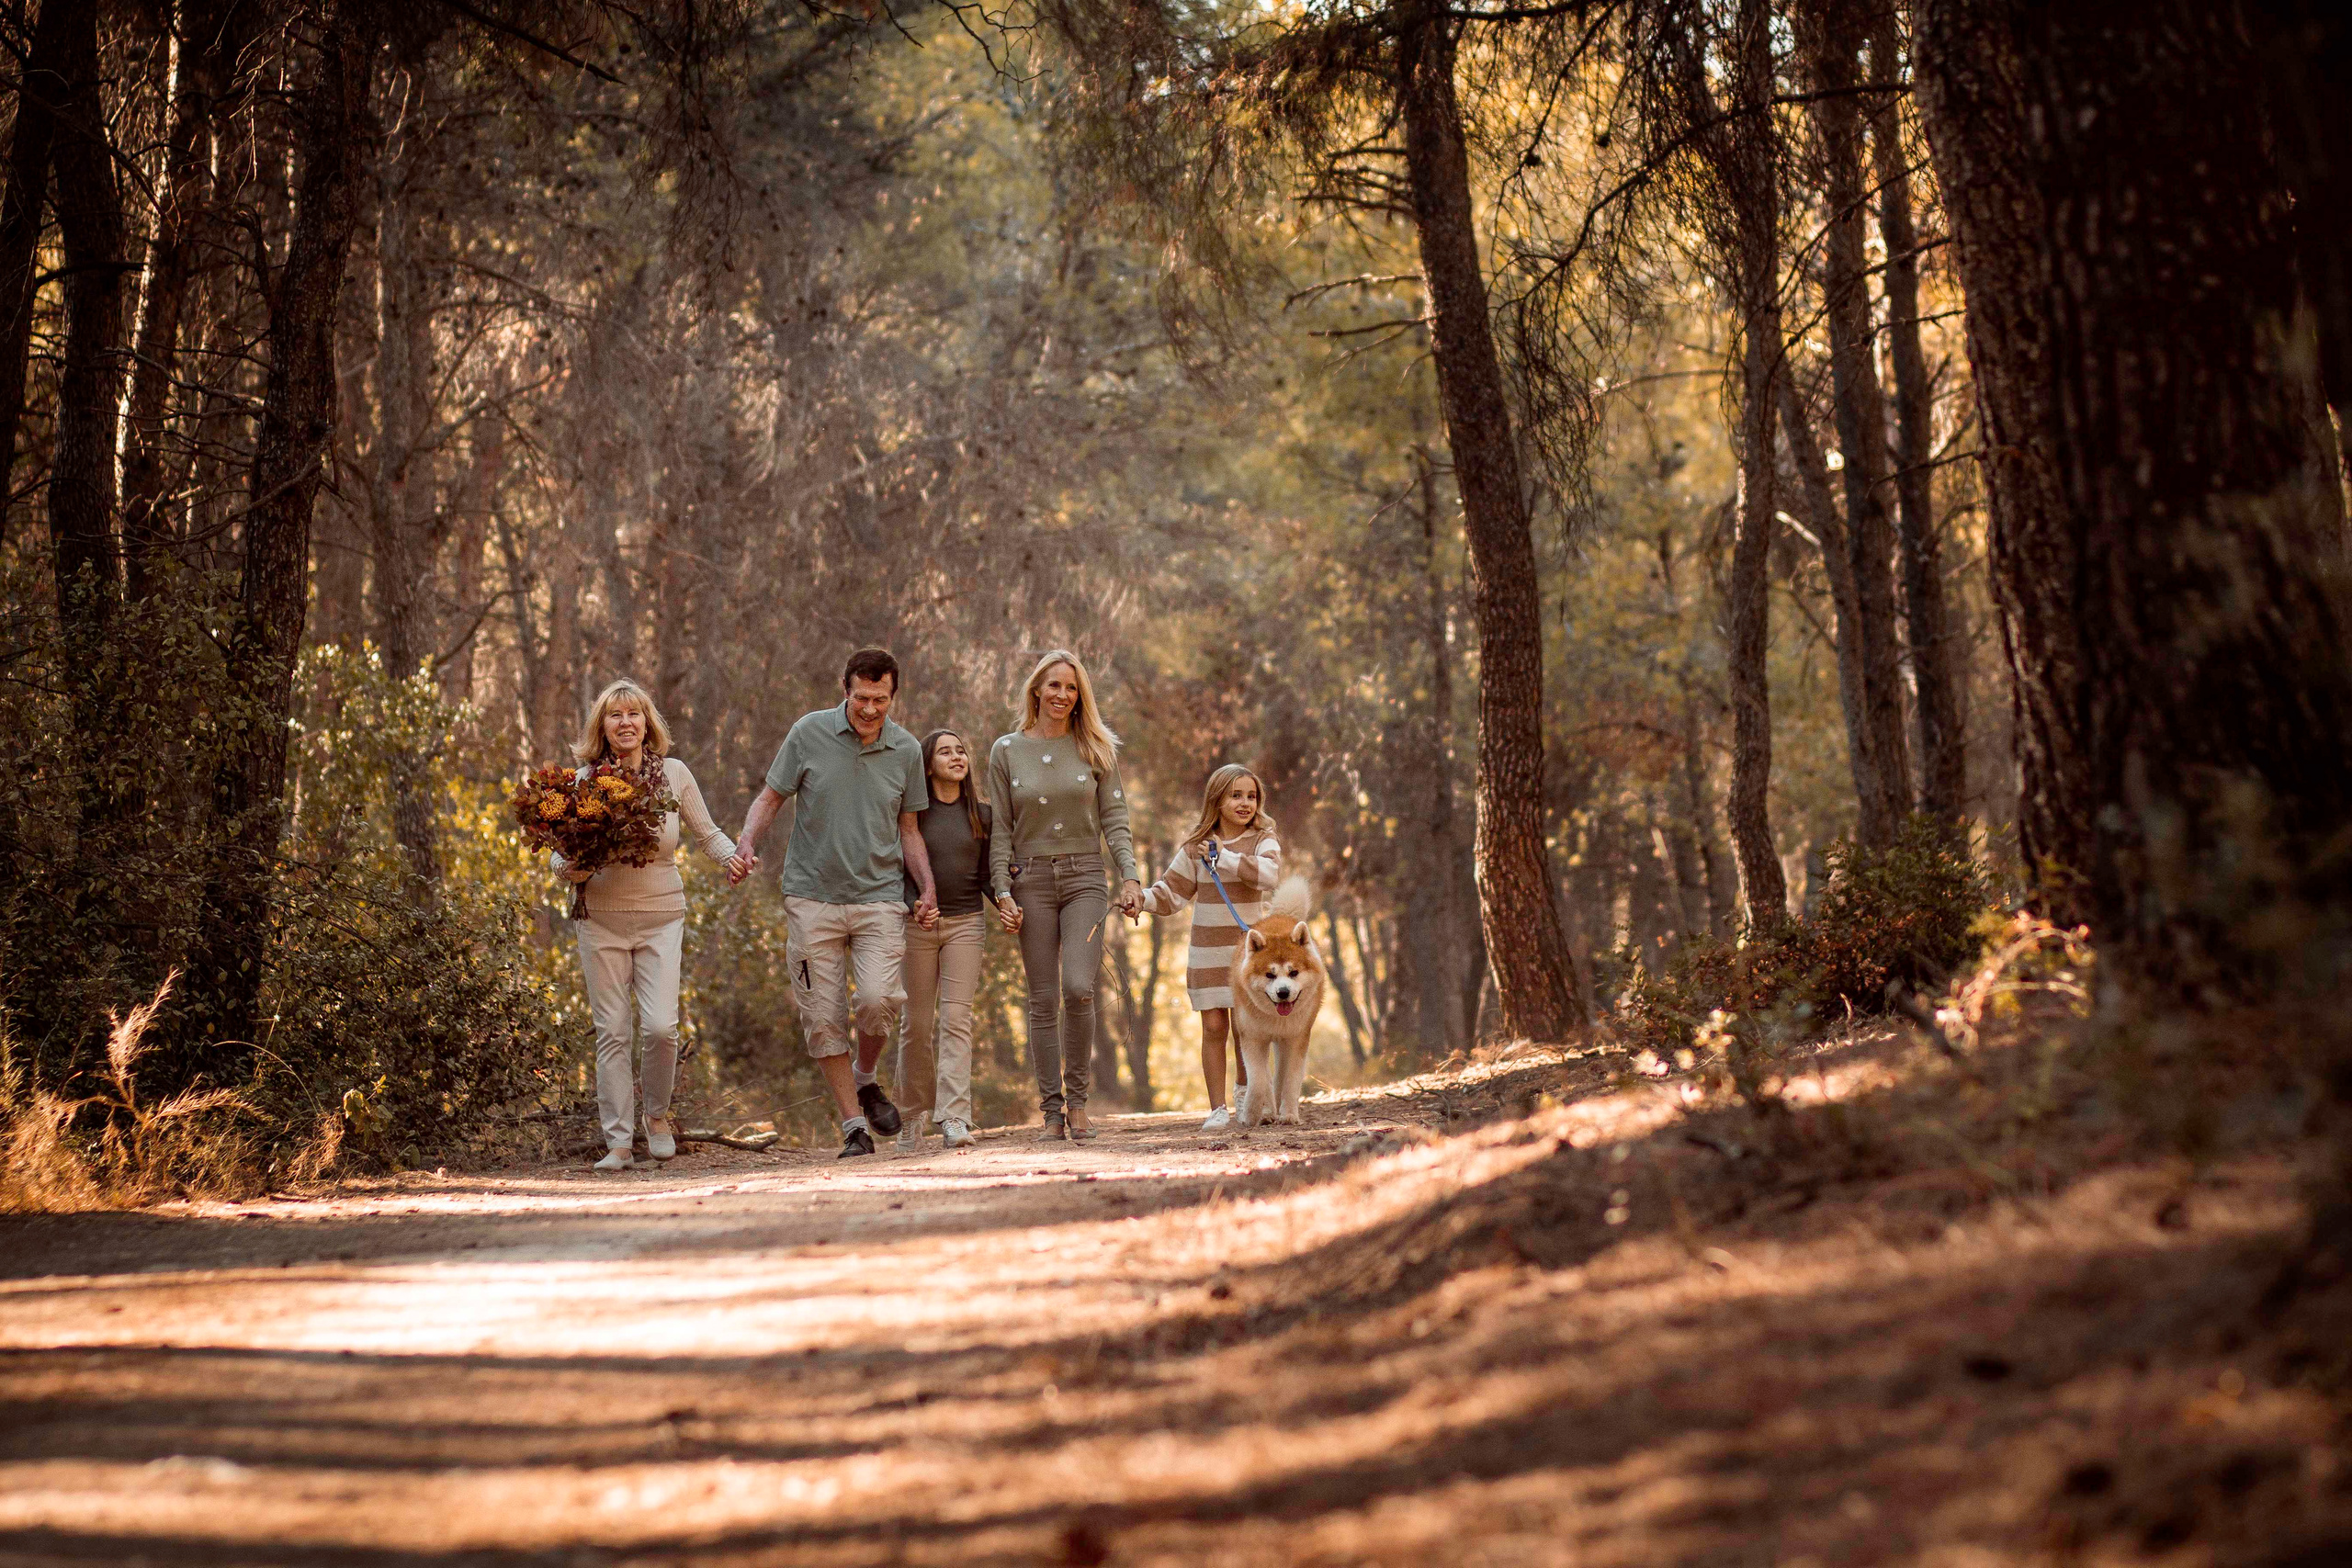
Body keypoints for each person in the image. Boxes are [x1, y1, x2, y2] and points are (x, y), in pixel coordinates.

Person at [729, 649, 936, 1159]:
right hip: (810, 898)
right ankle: (852, 1127)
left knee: (877, 1000)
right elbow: (770, 798)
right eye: (862, 697)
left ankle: (866, 1078)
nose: (870, 709)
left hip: (879, 898)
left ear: (893, 696)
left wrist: (926, 887)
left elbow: (909, 829)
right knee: (822, 1018)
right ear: (845, 690)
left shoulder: (907, 750)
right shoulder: (808, 734)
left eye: (880, 700)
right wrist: (747, 841)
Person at [555, 679, 738, 1172]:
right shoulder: (581, 783)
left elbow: (707, 832)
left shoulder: (674, 775)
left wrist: (733, 858)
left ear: (647, 722)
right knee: (612, 1031)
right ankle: (617, 1142)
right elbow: (558, 855)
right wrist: (568, 868)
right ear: (602, 727)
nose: (626, 723)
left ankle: (656, 1116)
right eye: (615, 715)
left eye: (634, 713)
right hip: (602, 920)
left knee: (660, 1027)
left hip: (661, 917)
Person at [986, 650, 1143, 1143]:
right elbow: (1001, 831)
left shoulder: (1097, 747)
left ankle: (1078, 1103)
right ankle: (1050, 1110)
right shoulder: (1006, 750)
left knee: (1078, 986)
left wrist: (1132, 876)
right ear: (1037, 689)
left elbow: (1116, 820)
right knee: (1041, 997)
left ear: (1081, 696)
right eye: (1053, 685)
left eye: (1071, 688)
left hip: (1085, 878)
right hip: (1029, 879)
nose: (1062, 695)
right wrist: (1002, 890)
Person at [1136, 764, 1279, 1131]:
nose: (1245, 803)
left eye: (1251, 796)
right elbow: (1171, 894)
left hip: (1249, 955)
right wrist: (1141, 900)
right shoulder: (1194, 848)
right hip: (1207, 951)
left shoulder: (1263, 839)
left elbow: (1269, 875)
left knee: (1246, 1028)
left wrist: (1224, 856)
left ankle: (1248, 1097)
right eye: (1236, 795)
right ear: (1217, 799)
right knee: (1214, 1027)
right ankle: (1218, 1108)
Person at [894, 730, 991, 1153]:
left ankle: (955, 1116)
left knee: (956, 1019)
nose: (957, 757)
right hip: (917, 927)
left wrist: (1008, 901)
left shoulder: (982, 815)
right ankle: (912, 1115)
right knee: (915, 1024)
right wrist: (914, 902)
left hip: (967, 924)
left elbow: (989, 874)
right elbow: (895, 870)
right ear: (927, 764)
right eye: (945, 751)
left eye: (961, 750)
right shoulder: (911, 814)